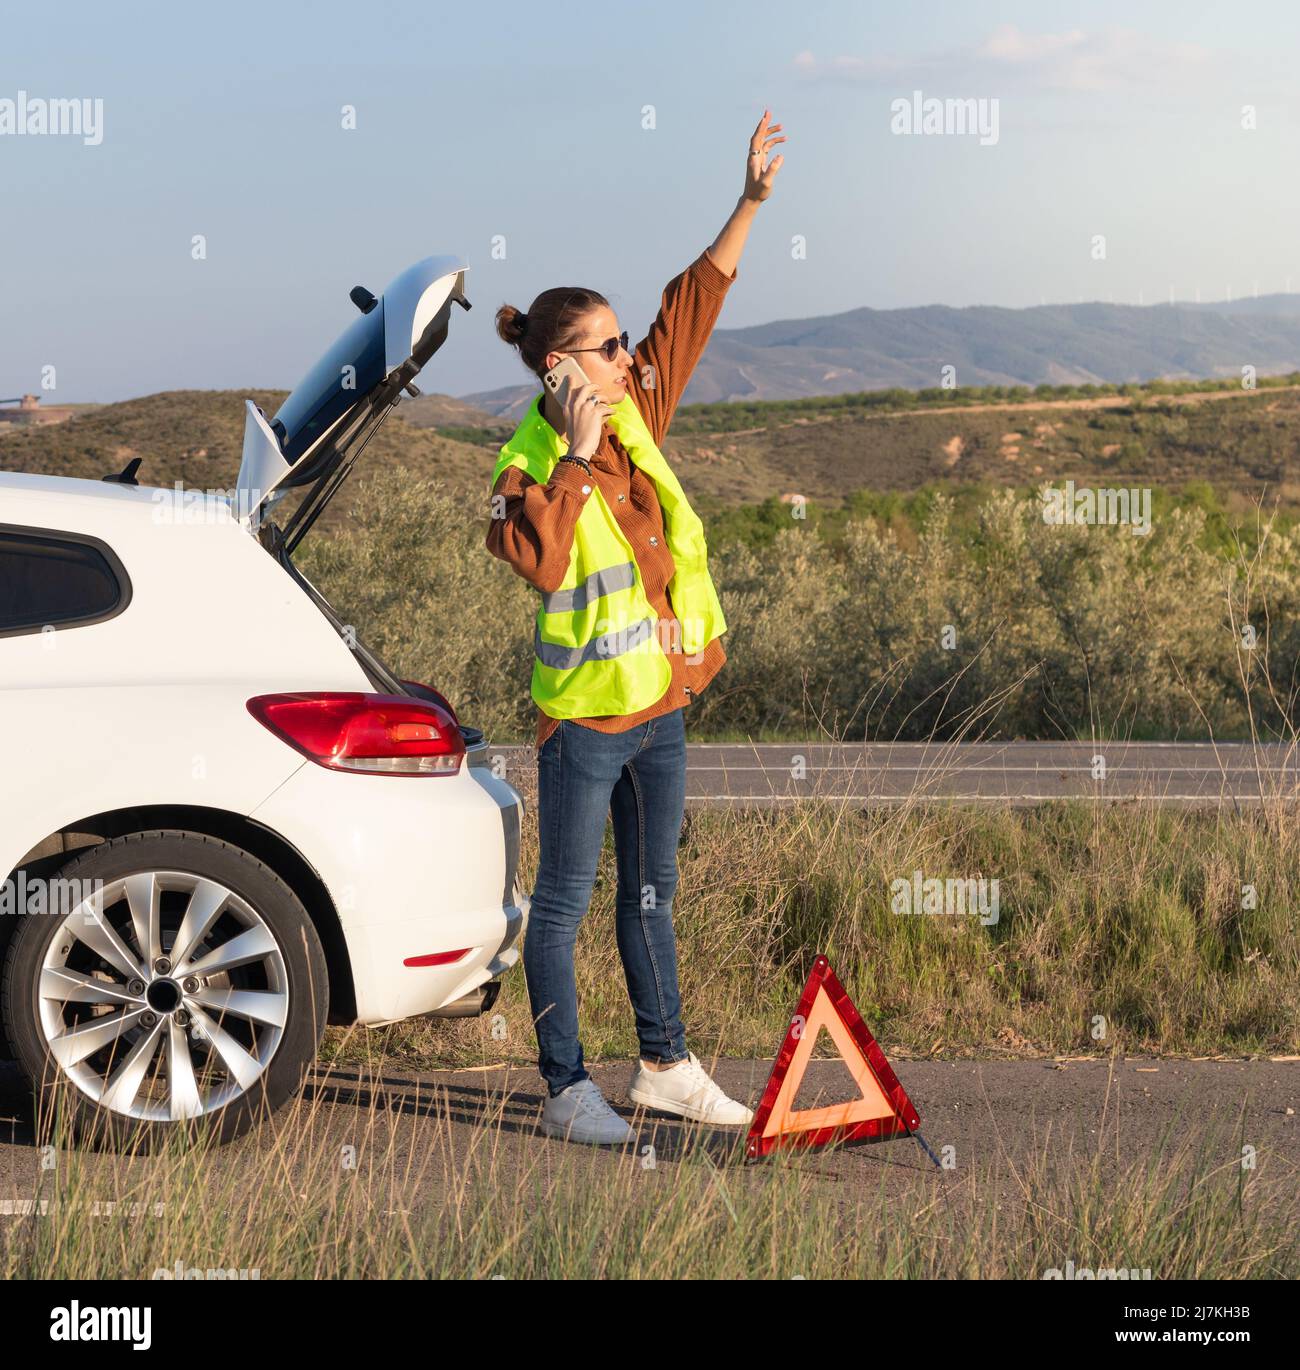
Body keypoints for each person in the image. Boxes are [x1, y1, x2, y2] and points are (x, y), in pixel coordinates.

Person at [486, 111, 786, 1145]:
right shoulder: (526, 465)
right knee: (562, 902)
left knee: (652, 891)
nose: (629, 356)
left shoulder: (634, 412)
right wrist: (570, 453)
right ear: (561, 369)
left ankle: (664, 1063)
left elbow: (691, 305)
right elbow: (541, 559)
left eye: (622, 343)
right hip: (584, 724)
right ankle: (567, 1085)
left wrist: (748, 201)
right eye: (608, 348)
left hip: (661, 706)